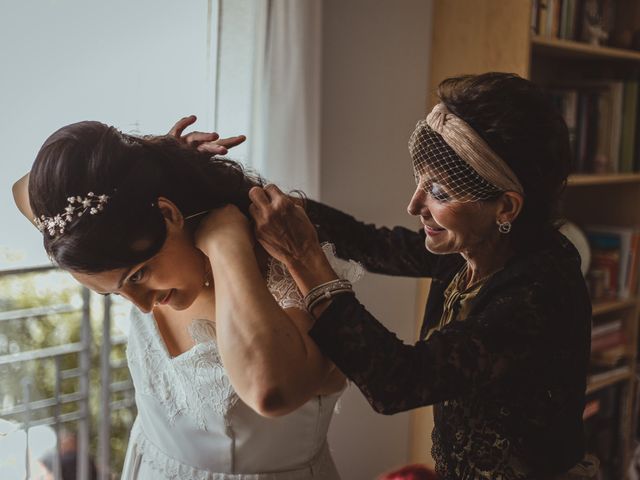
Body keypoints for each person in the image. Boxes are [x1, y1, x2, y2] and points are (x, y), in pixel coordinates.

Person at [243, 73, 596, 479]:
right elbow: (369, 244)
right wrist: (238, 188)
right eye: (421, 181)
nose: (415, 205)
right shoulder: (472, 248)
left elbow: (397, 381)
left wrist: (305, 259)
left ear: (506, 207)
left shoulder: (539, 295)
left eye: (440, 193)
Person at [13, 118, 362, 479]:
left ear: (169, 214)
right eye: (116, 293)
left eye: (138, 275)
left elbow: (269, 390)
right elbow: (22, 189)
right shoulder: (137, 251)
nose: (142, 305)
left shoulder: (290, 272)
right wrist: (157, 154)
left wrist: (226, 242)